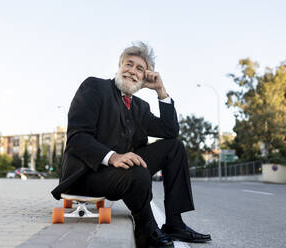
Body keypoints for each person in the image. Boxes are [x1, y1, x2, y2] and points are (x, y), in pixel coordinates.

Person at [51, 42, 211, 248]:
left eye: (140, 69)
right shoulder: (95, 87)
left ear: (145, 77)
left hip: (121, 175)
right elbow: (77, 137)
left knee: (175, 146)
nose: (132, 71)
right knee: (138, 169)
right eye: (129, 64)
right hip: (87, 175)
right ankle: (147, 230)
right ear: (120, 66)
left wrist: (161, 91)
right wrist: (113, 157)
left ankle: (175, 224)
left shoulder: (140, 107)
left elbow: (170, 131)